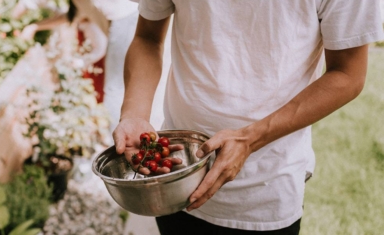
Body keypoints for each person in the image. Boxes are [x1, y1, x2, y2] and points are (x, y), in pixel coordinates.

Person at [113, 0, 384, 234]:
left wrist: (250, 139)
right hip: (174, 174)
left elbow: (348, 74)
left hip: (265, 192)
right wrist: (135, 112)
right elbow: (148, 37)